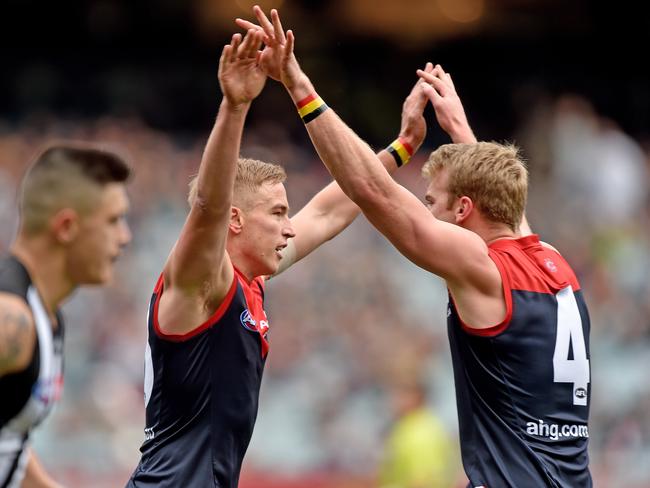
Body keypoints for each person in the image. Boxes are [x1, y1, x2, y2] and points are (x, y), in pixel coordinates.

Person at [253, 7, 593, 487]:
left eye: (431, 201)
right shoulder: (555, 263)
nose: (425, 209)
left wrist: (297, 84)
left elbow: (370, 190)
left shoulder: (482, 268)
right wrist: (460, 131)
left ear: (464, 210)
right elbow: (506, 213)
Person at [125, 21, 458, 486]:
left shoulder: (249, 281)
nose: (288, 226)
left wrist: (401, 149)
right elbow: (208, 206)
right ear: (235, 221)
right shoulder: (201, 283)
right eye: (277, 213)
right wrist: (235, 107)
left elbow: (328, 211)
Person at [0, 144, 132, 487]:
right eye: (113, 220)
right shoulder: (11, 320)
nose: (125, 237)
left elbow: (9, 444)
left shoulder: (44, 314)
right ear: (67, 227)